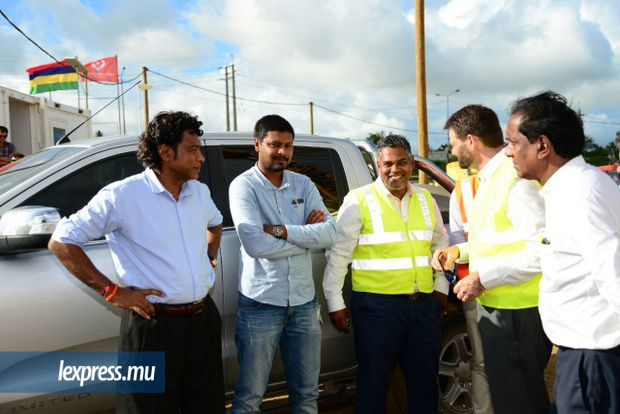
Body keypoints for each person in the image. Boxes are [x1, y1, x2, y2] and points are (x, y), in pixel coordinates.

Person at [48, 111, 225, 413]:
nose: (201, 158)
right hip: (153, 328)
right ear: (166, 152)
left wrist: (209, 257)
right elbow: (61, 241)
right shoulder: (122, 195)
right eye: (193, 149)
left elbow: (215, 223)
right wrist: (112, 292)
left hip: (202, 321)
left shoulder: (198, 191)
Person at [505, 91, 620, 414]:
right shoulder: (577, 186)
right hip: (586, 355)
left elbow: (613, 275)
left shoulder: (578, 195)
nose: (508, 152)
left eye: (513, 142)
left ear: (542, 145)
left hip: (592, 358)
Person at [431, 105, 552, 414]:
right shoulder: (490, 179)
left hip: (519, 313)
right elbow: (496, 241)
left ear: (471, 140)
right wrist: (459, 252)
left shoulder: (513, 178)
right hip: (503, 309)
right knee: (510, 398)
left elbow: (542, 250)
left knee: (520, 401)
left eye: (453, 143)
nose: (452, 150)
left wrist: (483, 278)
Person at [323, 134, 449, 414]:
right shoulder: (359, 200)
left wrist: (441, 286)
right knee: (373, 386)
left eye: (402, 162)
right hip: (377, 309)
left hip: (423, 306)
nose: (395, 169)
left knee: (425, 384)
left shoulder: (425, 198)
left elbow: (440, 243)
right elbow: (338, 254)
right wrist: (335, 302)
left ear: (411, 163)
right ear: (378, 166)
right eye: (388, 164)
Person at [229, 114, 336, 413]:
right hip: (261, 303)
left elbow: (329, 233)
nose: (282, 152)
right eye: (274, 144)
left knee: (307, 394)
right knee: (250, 397)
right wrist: (306, 236)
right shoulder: (243, 186)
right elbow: (254, 244)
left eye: (288, 146)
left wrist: (279, 230)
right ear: (257, 144)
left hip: (304, 303)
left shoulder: (303, 184)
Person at [449, 173, 494, 414]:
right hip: (475, 291)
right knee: (481, 362)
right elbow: (458, 241)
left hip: (518, 294)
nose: (454, 154)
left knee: (517, 363)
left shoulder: (521, 178)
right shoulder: (463, 190)